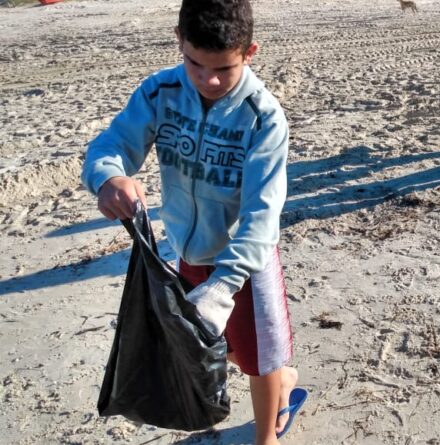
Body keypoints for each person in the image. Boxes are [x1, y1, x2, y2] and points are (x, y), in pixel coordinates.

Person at [80, 0, 302, 443]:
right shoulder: (159, 92)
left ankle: (266, 436)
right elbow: (113, 144)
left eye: (224, 68)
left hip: (245, 263)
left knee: (259, 359)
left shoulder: (263, 117)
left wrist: (224, 285)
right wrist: (108, 178)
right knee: (221, 350)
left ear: (250, 52)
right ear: (178, 41)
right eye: (195, 64)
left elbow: (262, 213)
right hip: (186, 250)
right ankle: (287, 378)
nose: (209, 80)